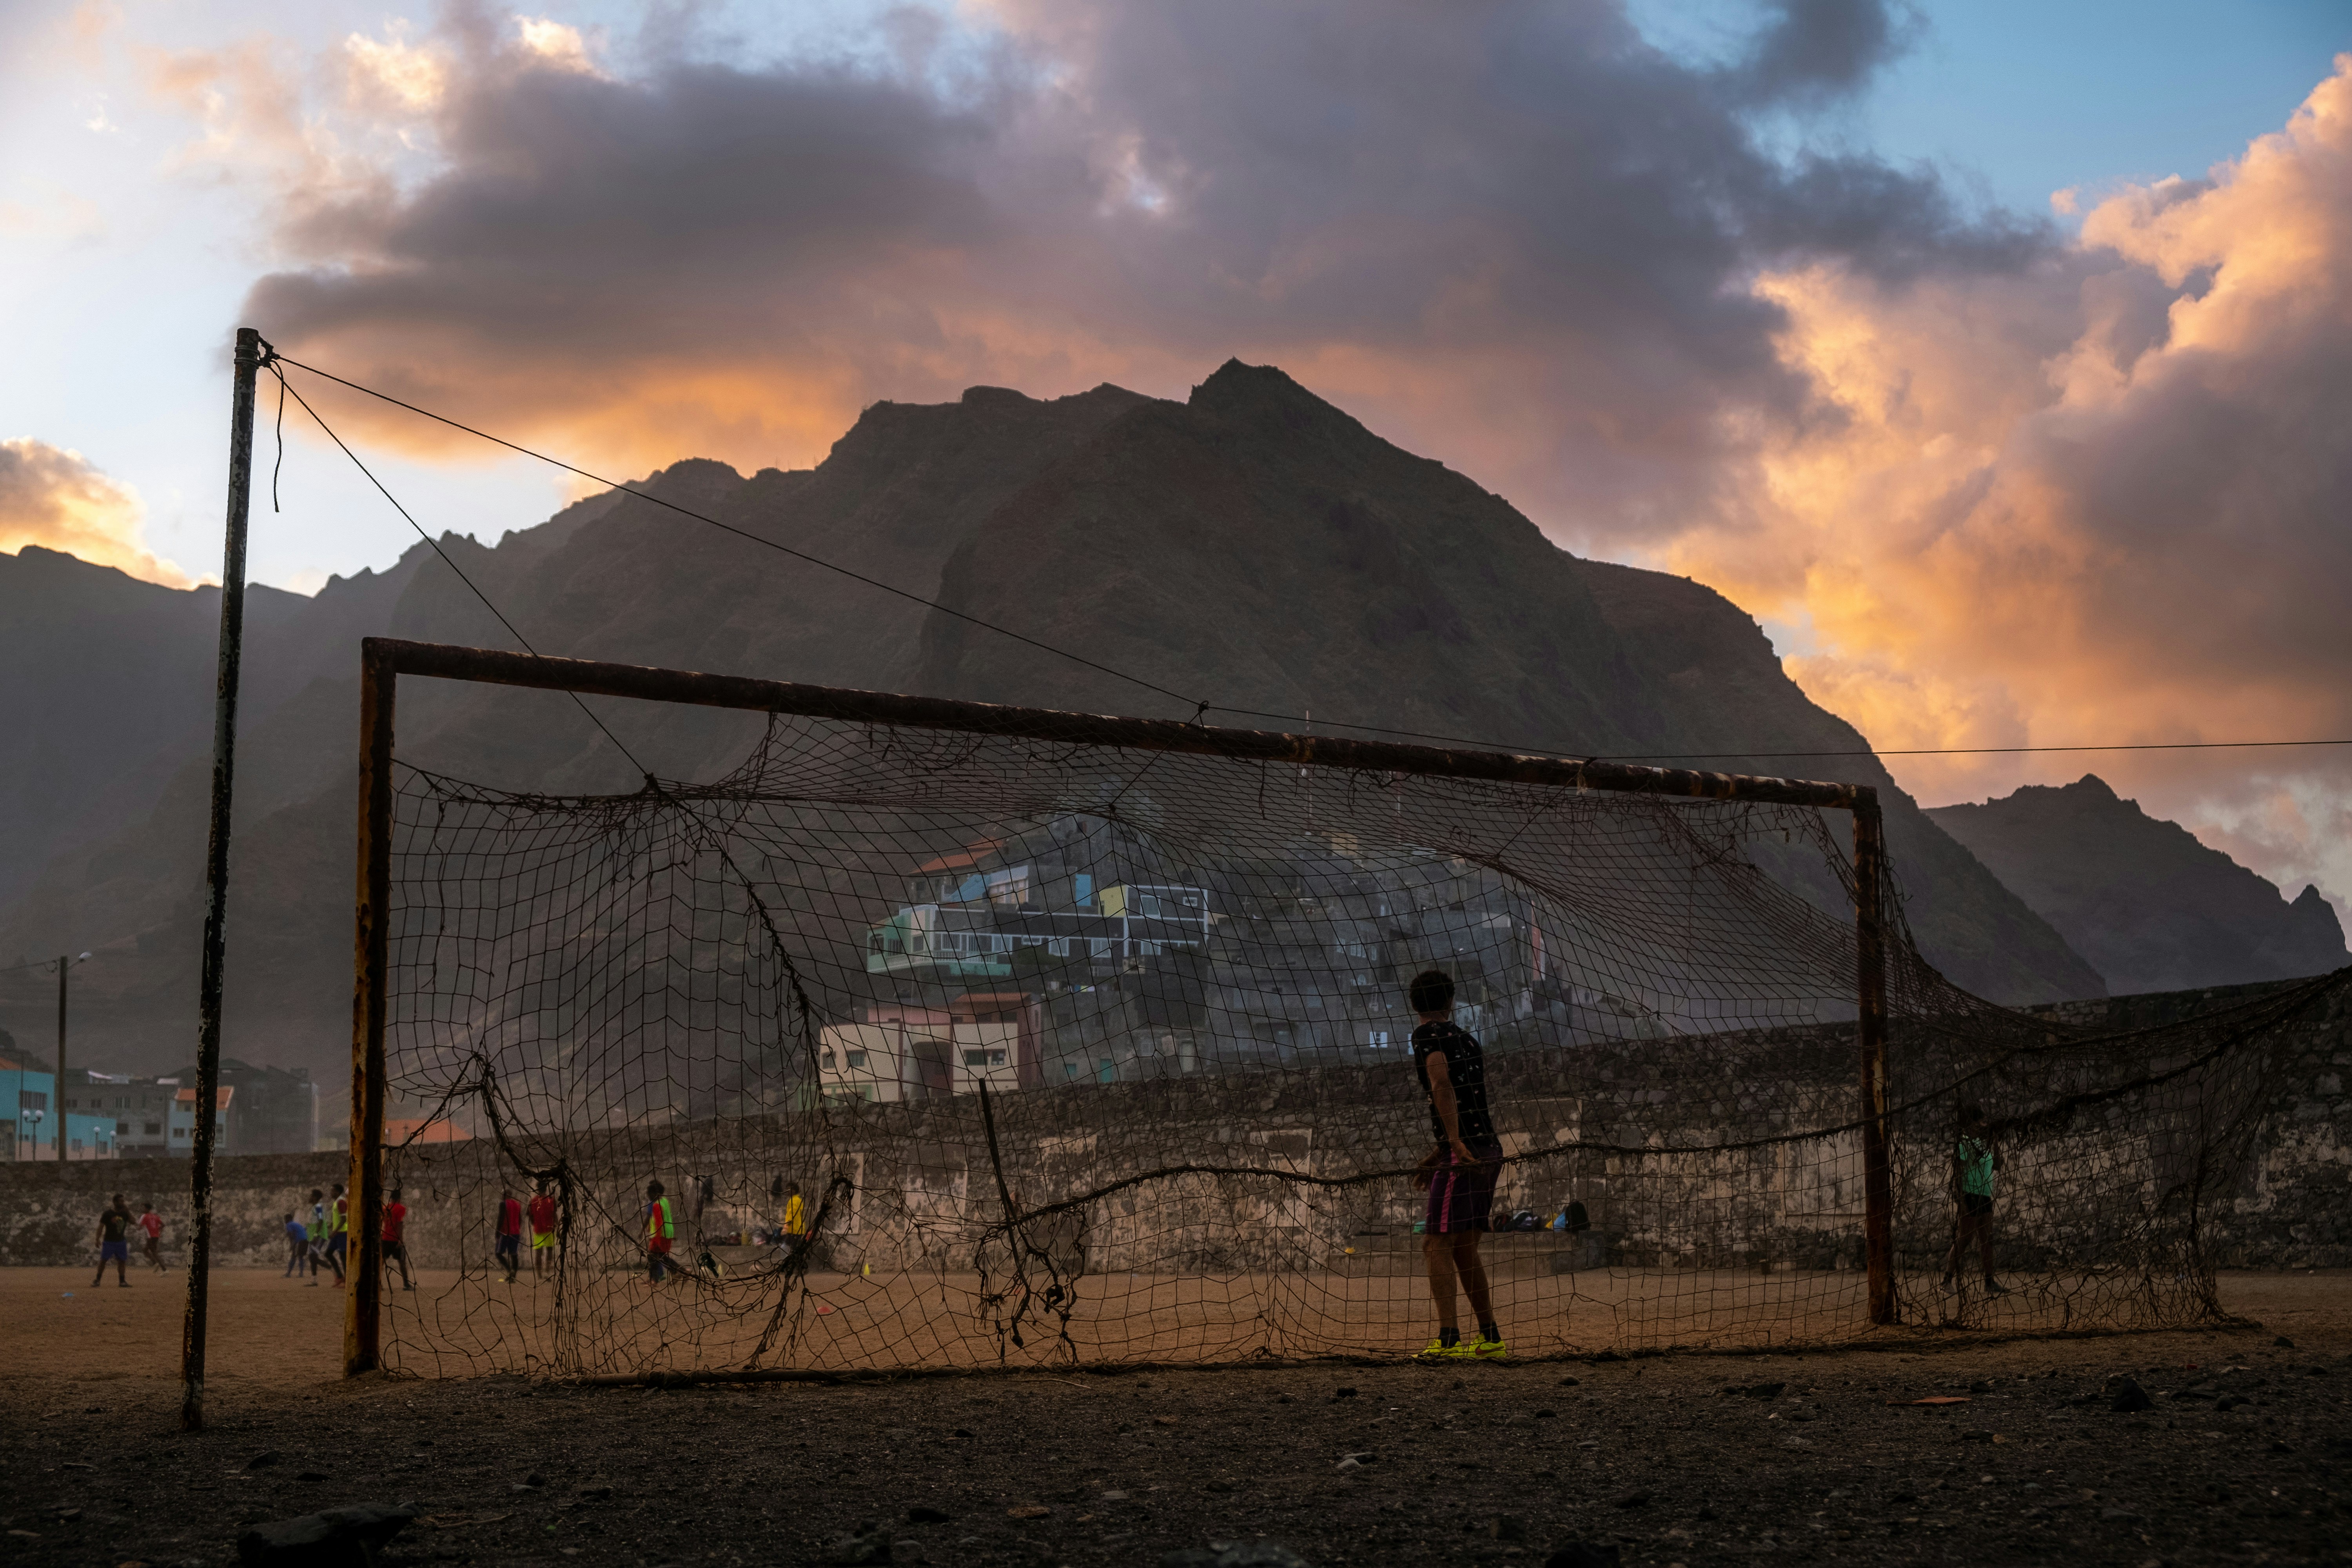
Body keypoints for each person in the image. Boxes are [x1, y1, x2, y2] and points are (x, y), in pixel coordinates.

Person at [1408, 969, 1505, 1359]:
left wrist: (1451, 1143)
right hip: (1488, 1149)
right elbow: (1470, 1101)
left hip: (1464, 1154)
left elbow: (1442, 1083)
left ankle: (1449, 1341)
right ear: (1451, 1001)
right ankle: (1491, 1338)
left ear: (1415, 1005)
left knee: (1435, 1243)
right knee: (1464, 1247)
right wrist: (1439, 1150)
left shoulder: (1427, 1035)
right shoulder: (1468, 1039)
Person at [1942, 1103, 2009, 1295]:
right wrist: (1961, 1202)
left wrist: (1995, 1141)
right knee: (1964, 1239)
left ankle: (1989, 1283)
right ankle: (1946, 1280)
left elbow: (1997, 1165)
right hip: (1970, 1196)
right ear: (1971, 1124)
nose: (1982, 1125)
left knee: (1987, 1240)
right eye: (1980, 1122)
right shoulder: (1963, 1143)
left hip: (1985, 1196)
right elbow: (1958, 1174)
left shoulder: (1982, 1143)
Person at [93, 1194, 133, 1287]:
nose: (123, 1203)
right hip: (109, 1242)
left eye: (124, 1201)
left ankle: (122, 1281)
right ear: (115, 1202)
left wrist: (128, 1211)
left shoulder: (125, 1213)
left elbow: (133, 1221)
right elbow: (101, 1227)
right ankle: (98, 1280)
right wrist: (97, 1239)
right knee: (103, 1261)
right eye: (121, 1201)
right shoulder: (107, 1214)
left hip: (121, 1242)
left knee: (122, 1261)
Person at [383, 1187, 416, 1292]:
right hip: (395, 1239)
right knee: (402, 1263)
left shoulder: (386, 1208)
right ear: (399, 1198)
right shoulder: (401, 1208)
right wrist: (400, 1240)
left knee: (381, 1262)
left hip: (385, 1239)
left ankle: (377, 1284)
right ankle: (406, 1284)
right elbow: (400, 1224)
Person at [644, 1179, 676, 1283]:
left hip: (660, 1233)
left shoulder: (656, 1205)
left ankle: (655, 1279)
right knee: (659, 1256)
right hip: (666, 1232)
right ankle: (676, 1272)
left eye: (650, 1194)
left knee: (654, 1256)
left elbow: (658, 1222)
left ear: (655, 1193)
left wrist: (656, 1238)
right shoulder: (665, 1201)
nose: (648, 1196)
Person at [527, 1180, 559, 1282]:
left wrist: (535, 1223)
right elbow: (555, 1214)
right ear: (546, 1189)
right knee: (550, 1250)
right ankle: (547, 1272)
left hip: (538, 1230)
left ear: (537, 1189)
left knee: (538, 1253)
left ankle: (540, 1275)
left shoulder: (533, 1201)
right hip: (549, 1229)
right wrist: (557, 1225)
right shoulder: (551, 1200)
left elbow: (530, 1215)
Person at [494, 1187, 524, 1284]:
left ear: (506, 1195)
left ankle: (509, 1270)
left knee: (498, 1253)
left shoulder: (503, 1204)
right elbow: (520, 1220)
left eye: (502, 1194)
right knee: (514, 1254)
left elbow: (501, 1218)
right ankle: (513, 1277)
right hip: (516, 1233)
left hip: (505, 1232)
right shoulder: (518, 1205)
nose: (502, 1196)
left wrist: (497, 1232)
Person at [326, 1183, 351, 1287]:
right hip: (338, 1234)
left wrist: (334, 1231)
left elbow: (344, 1219)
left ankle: (348, 1281)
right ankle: (341, 1277)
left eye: (332, 1191)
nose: (331, 1193)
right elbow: (339, 1217)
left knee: (343, 1256)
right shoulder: (337, 1202)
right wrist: (332, 1224)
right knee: (328, 1254)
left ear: (337, 1192)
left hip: (343, 1233)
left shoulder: (341, 1201)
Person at [137, 1201, 167, 1272]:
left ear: (147, 1209)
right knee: (145, 1250)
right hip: (156, 1236)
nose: (142, 1209)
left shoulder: (145, 1216)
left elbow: (139, 1227)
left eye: (143, 1208)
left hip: (150, 1237)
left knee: (154, 1253)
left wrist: (136, 1226)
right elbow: (163, 1225)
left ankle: (164, 1270)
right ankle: (155, 1263)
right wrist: (157, 1230)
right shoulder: (155, 1216)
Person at [782, 1181, 807, 1258]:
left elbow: (793, 1215)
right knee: (793, 1249)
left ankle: (789, 1265)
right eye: (787, 1190)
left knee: (787, 1248)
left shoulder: (794, 1201)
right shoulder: (797, 1200)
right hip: (797, 1229)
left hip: (795, 1230)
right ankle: (798, 1265)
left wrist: (786, 1228)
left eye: (789, 1190)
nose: (787, 1192)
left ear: (794, 1190)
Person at [282, 1212, 310, 1278]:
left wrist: (292, 1245)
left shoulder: (289, 1224)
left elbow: (290, 1235)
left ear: (288, 1219)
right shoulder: (296, 1224)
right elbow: (305, 1229)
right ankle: (301, 1273)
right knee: (300, 1256)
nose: (285, 1221)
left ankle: (289, 1273)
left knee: (294, 1256)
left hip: (300, 1241)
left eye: (285, 1219)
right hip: (306, 1240)